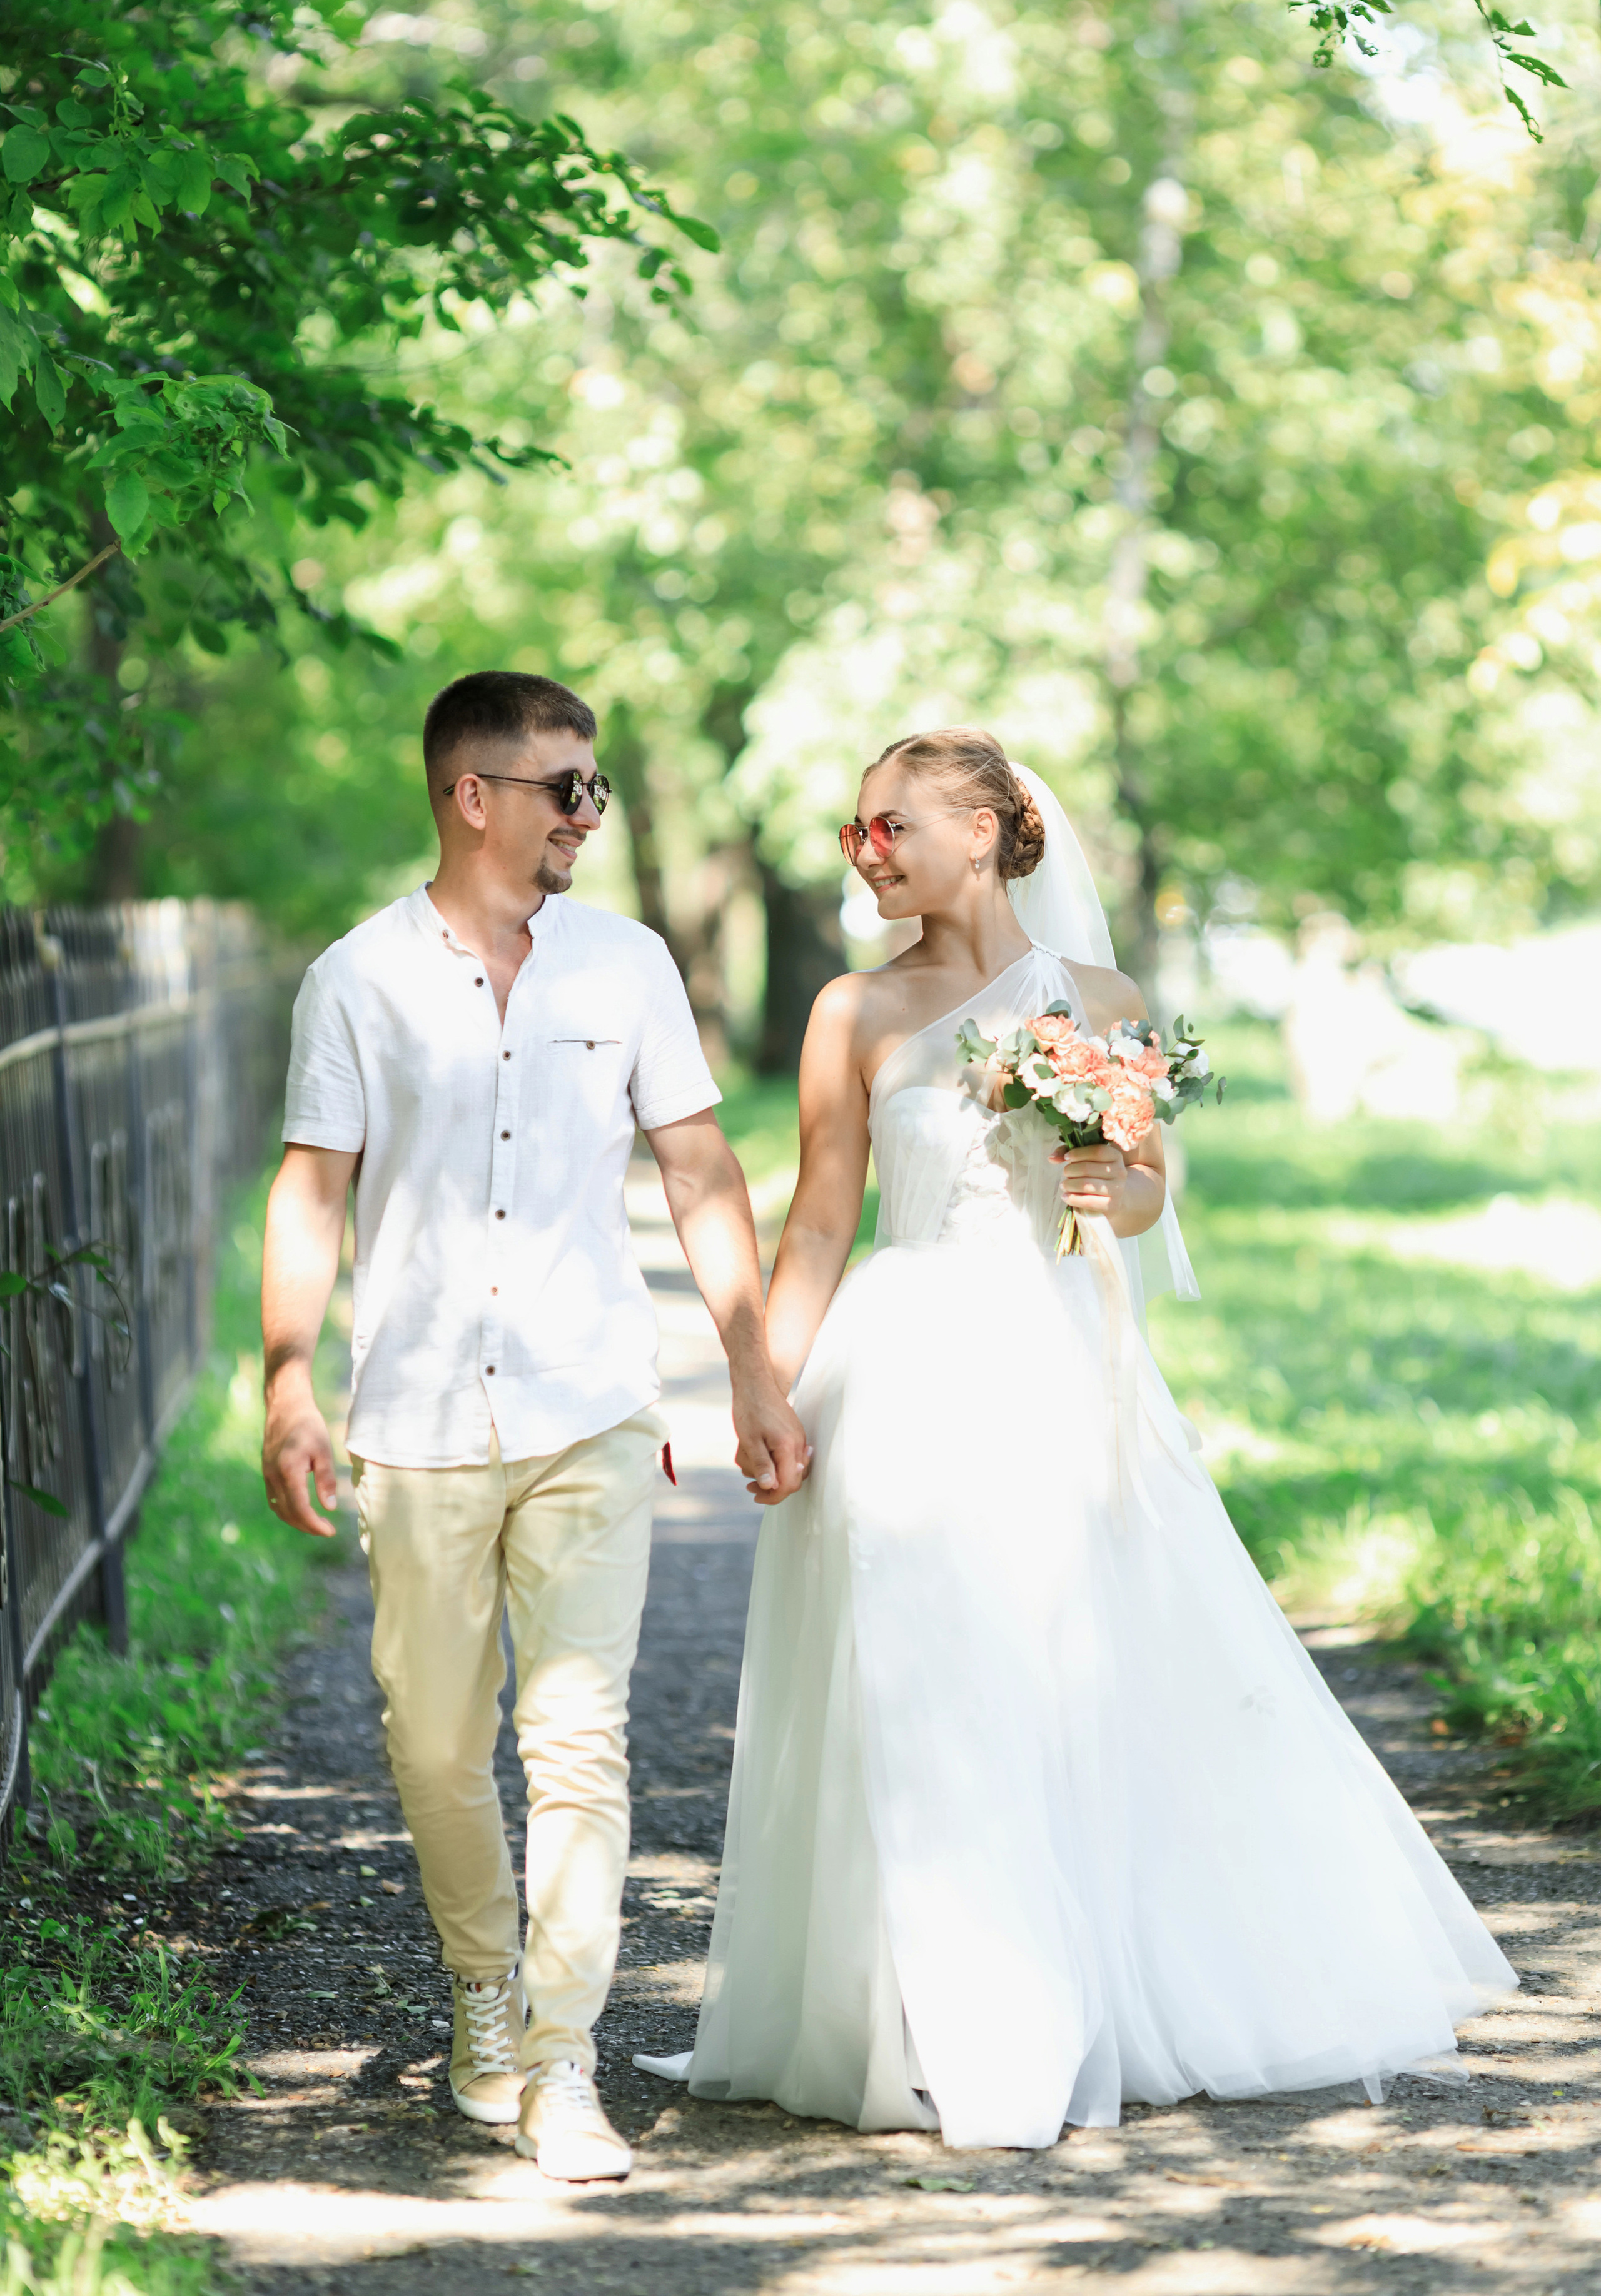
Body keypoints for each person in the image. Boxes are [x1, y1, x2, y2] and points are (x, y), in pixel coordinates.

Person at [639, 727, 1513, 2150]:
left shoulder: (1099, 1000)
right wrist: (762, 1389)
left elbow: (1152, 1190)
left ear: (983, 834)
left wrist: (1116, 1180)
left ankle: (1068, 1993)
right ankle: (931, 2018)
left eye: (891, 824)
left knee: (1060, 1662)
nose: (865, 851)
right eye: (856, 829)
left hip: (1056, 1362)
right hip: (906, 1360)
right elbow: (820, 1215)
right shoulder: (850, 1010)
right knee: (917, 1668)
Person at [260, 670, 807, 2183]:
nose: (586, 814)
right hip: (419, 1416)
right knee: (435, 1743)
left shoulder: (627, 965)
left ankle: (562, 2057)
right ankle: (481, 1996)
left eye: (595, 787)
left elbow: (698, 1168)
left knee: (577, 1743)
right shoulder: (357, 979)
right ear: (470, 795)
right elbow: (312, 1188)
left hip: (589, 1403)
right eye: (564, 788)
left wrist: (752, 1369)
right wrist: (287, 1380)